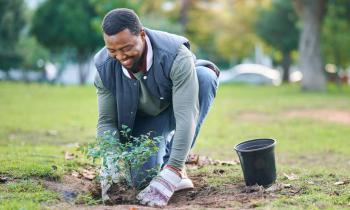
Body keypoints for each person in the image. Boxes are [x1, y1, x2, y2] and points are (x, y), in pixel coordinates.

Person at [93, 8, 219, 207]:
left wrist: (173, 170)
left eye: (126, 48)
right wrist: (111, 161)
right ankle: (158, 165)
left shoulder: (175, 54)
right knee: (142, 180)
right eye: (112, 50)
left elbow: (187, 116)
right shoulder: (104, 69)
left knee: (205, 77)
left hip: (177, 106)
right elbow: (107, 122)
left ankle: (173, 164)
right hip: (144, 121)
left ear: (142, 34)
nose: (120, 57)